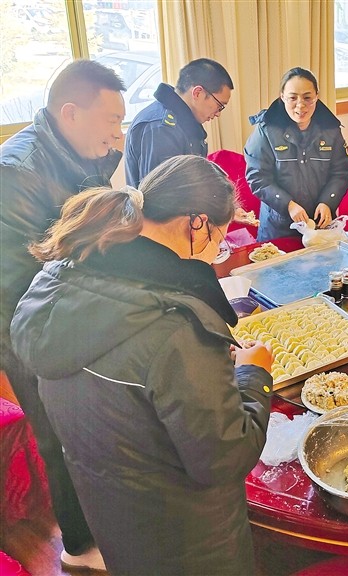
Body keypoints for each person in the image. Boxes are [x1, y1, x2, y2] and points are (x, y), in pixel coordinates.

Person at [10, 155, 274, 575]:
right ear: (197, 224)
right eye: (218, 241)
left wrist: (202, 372)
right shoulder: (174, 325)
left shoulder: (59, 280)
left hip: (113, 517)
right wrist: (253, 374)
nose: (214, 255)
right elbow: (225, 457)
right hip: (189, 539)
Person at [0, 59, 125, 571]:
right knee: (59, 435)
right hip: (25, 326)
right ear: (70, 113)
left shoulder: (83, 149)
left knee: (91, 428)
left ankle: (105, 525)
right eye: (111, 121)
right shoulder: (17, 173)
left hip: (72, 311)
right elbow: (21, 285)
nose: (117, 133)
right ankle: (79, 547)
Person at [244, 67, 348, 242]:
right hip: (278, 227)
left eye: (307, 98)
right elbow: (258, 178)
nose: (300, 105)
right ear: (282, 97)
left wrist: (327, 202)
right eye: (293, 98)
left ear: (316, 96)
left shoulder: (330, 128)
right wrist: (288, 205)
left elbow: (341, 173)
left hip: (320, 225)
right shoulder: (266, 130)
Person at [124, 58, 233, 187]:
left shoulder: (187, 125)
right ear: (197, 93)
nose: (218, 113)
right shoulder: (161, 128)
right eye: (219, 105)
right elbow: (160, 194)